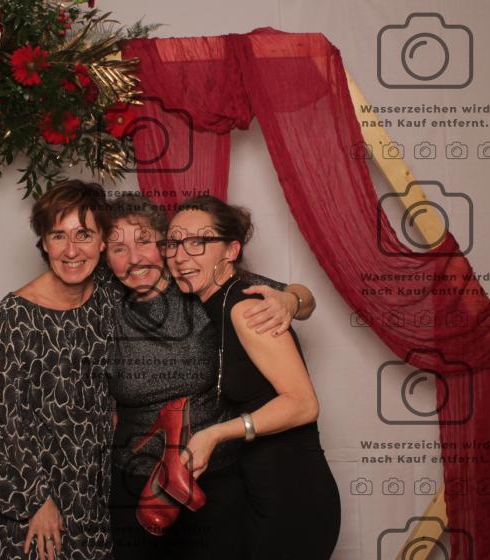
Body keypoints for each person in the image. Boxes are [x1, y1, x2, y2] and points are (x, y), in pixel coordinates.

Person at [103, 194, 318, 560]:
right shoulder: (103, 308)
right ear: (105, 258)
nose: (134, 258)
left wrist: (291, 300)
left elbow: (301, 297)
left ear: (163, 246)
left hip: (215, 481)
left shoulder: (199, 285)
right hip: (135, 482)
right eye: (118, 248)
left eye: (144, 242)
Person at [166, 195, 341, 560]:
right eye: (174, 242)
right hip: (259, 488)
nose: (181, 256)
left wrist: (214, 434)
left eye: (198, 242)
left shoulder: (245, 309)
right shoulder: (220, 302)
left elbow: (303, 405)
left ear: (231, 250)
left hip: (294, 497)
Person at [0, 180, 118, 560]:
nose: (71, 250)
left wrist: (277, 295)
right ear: (44, 243)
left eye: (84, 234)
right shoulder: (15, 315)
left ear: (102, 241)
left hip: (96, 492)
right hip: (36, 497)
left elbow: (181, 280)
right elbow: (6, 420)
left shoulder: (109, 293)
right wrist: (37, 501)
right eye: (58, 235)